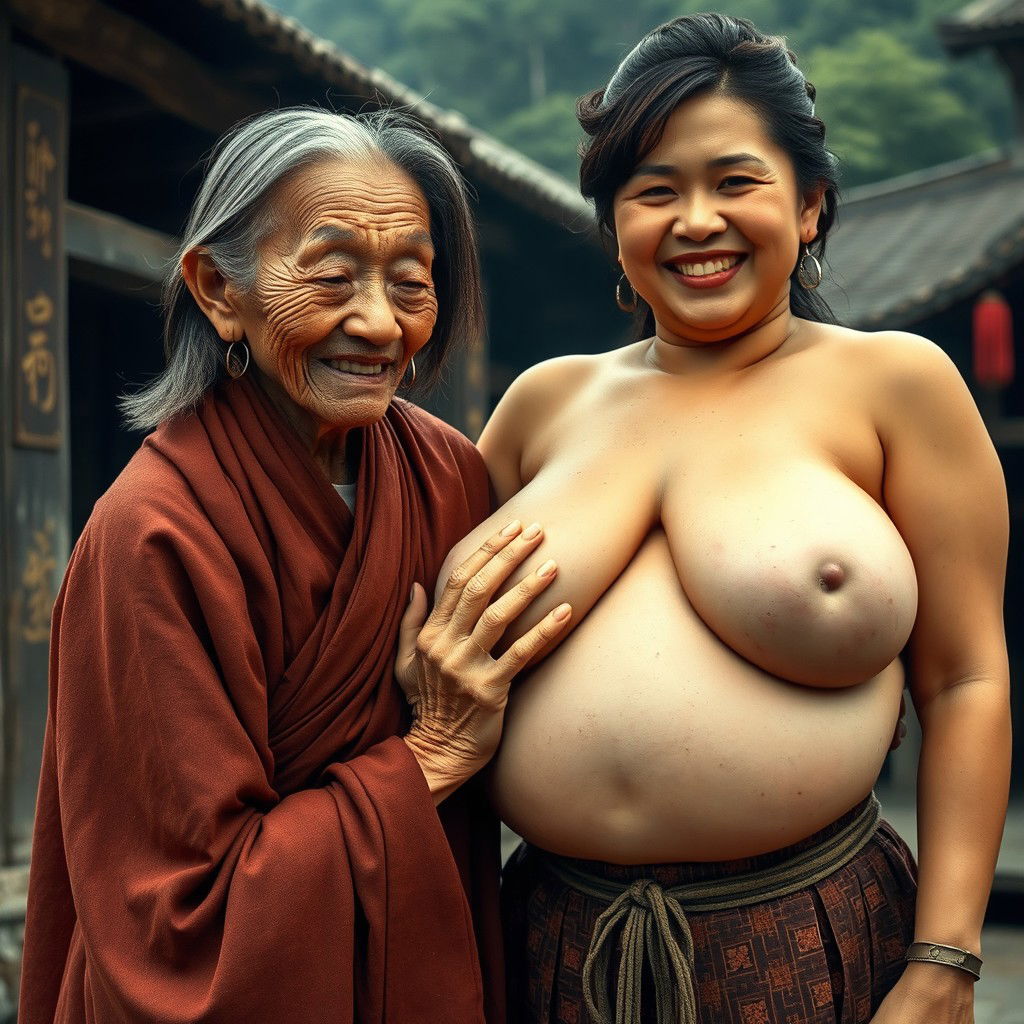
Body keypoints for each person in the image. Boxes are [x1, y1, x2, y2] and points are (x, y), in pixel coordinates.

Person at [411, 14, 1011, 1024]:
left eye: (735, 182)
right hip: (548, 943)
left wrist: (945, 958)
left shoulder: (894, 385)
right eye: (655, 191)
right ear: (613, 221)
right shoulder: (539, 404)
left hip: (804, 939)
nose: (695, 220)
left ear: (810, 205)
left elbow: (964, 680)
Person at [18, 107, 573, 1024]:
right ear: (216, 289)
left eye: (412, 282)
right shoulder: (153, 533)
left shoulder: (446, 478)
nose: (380, 322)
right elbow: (182, 921)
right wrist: (430, 757)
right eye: (332, 274)